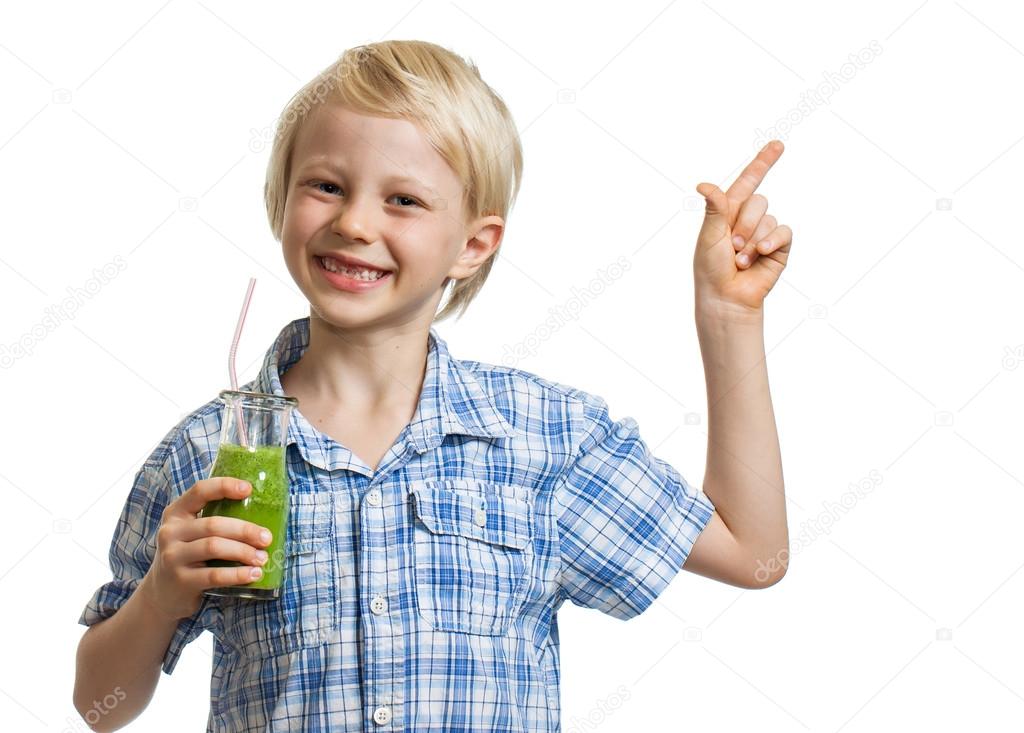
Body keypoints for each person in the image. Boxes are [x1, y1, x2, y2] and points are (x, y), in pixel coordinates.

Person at [73, 39, 792, 732]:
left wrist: (728, 318)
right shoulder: (211, 452)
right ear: (280, 200)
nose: (353, 222)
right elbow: (98, 703)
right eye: (326, 185)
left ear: (472, 245)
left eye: (404, 201)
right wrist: (161, 597)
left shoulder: (544, 436)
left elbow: (751, 553)